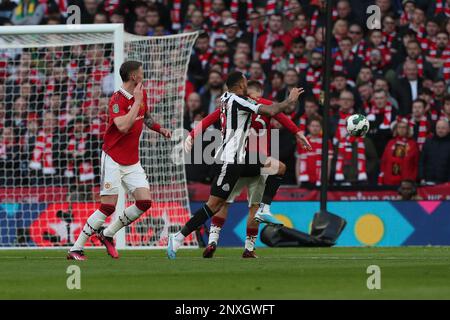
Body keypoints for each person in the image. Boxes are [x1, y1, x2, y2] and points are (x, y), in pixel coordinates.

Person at [167, 71, 307, 259]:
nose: (247, 86)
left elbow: (267, 110)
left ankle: (264, 210)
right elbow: (272, 111)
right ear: (240, 85)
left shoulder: (227, 98)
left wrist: (296, 131)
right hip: (229, 161)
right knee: (214, 205)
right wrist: (289, 100)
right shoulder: (238, 101)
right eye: (245, 82)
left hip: (242, 159)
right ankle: (178, 236)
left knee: (278, 168)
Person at [67, 61, 172, 260]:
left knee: (144, 202)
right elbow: (123, 126)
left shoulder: (142, 94)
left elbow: (146, 117)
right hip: (113, 158)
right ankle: (76, 248)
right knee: (108, 206)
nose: (143, 75)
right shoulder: (117, 99)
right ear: (133, 76)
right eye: (141, 72)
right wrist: (136, 100)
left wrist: (160, 129)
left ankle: (107, 234)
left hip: (132, 160)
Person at [378, 118, 419, 186]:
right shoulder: (390, 143)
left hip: (406, 183)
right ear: (396, 129)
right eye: (399, 127)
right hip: (389, 181)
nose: (401, 129)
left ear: (408, 129)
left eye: (404, 127)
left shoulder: (413, 144)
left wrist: (412, 179)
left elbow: (416, 164)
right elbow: (384, 161)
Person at [419, 119, 450, 185]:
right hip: (427, 181)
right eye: (438, 128)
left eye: (443, 128)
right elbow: (422, 161)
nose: (440, 130)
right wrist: (421, 177)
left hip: (445, 183)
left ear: (448, 129)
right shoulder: (428, 142)